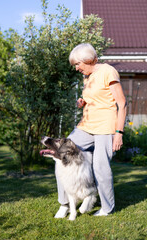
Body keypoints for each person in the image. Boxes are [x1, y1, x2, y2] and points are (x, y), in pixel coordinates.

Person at [55, 43, 127, 218]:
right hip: (86, 126)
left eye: (77, 64)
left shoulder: (108, 71)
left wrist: (119, 133)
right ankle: (65, 204)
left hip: (106, 127)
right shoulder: (87, 76)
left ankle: (107, 208)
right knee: (60, 154)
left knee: (101, 168)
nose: (77, 68)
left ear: (88, 60)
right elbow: (96, 97)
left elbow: (122, 103)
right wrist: (83, 102)